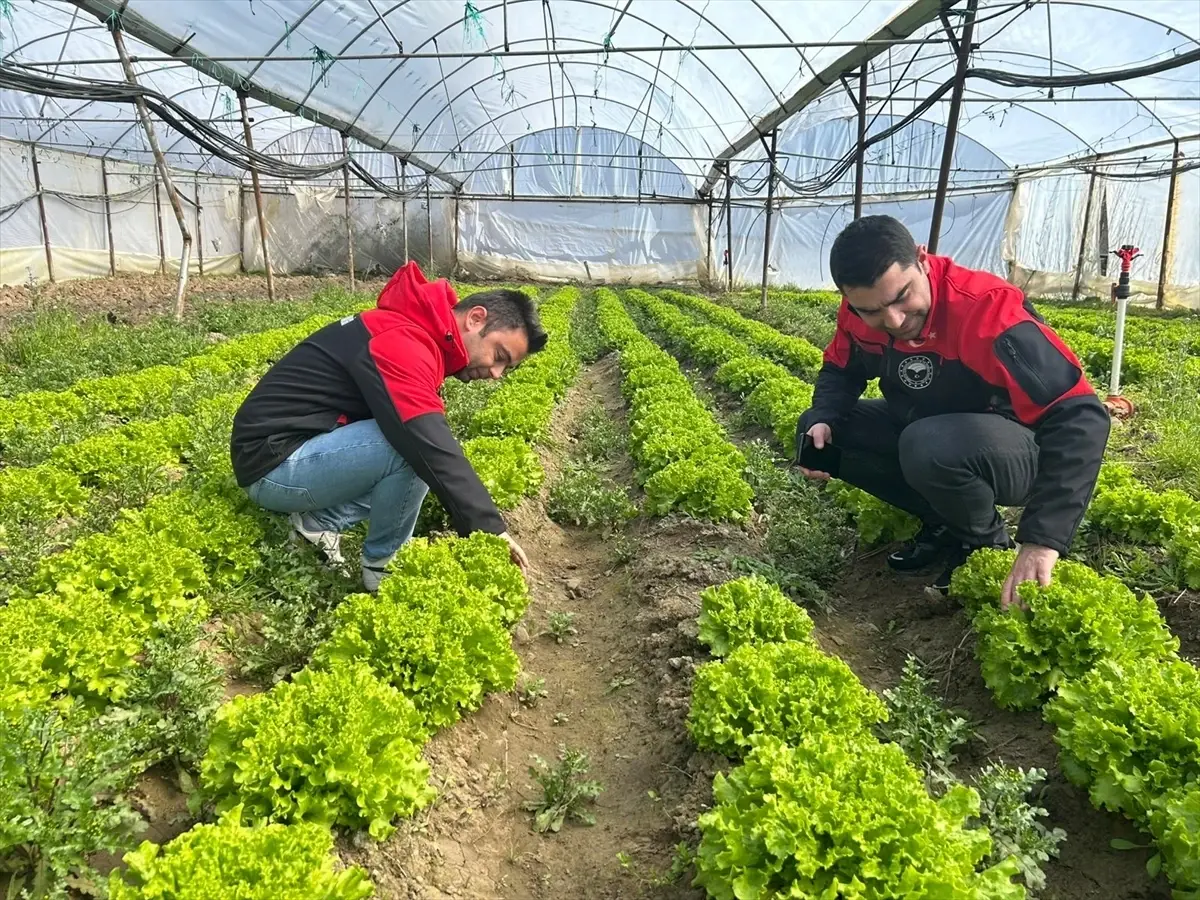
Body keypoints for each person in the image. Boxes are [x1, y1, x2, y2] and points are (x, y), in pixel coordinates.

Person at [795, 215, 1110, 608]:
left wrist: (1043, 541)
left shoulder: (986, 309)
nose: (893, 320)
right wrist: (822, 415)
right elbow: (841, 370)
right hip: (931, 431)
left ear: (922, 260)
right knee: (821, 433)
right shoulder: (858, 312)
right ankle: (947, 521)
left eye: (901, 297)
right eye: (872, 310)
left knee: (928, 444)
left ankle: (985, 547)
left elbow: (1079, 415)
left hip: (1018, 447)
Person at [230, 261, 545, 591]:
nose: (496, 374)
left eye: (505, 368)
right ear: (475, 318)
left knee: (416, 440)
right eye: (499, 355)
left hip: (291, 452)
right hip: (273, 465)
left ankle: (319, 524)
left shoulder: (414, 333)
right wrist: (490, 529)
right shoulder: (403, 341)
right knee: (413, 446)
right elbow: (425, 442)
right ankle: (384, 569)